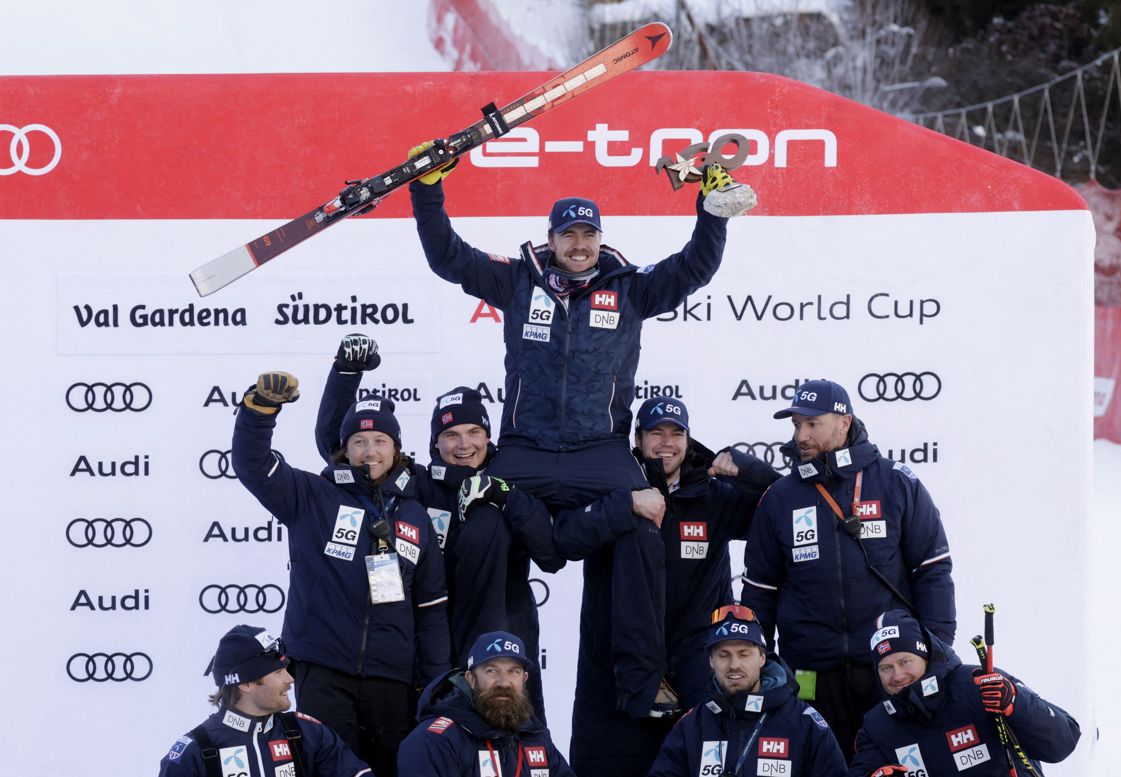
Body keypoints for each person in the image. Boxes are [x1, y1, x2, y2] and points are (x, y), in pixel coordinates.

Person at [406, 139, 747, 758]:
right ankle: (474, 677)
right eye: (569, 235)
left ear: (599, 238)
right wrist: (428, 188)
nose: (580, 244)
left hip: (599, 450)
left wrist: (712, 208)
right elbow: (447, 257)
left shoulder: (631, 288)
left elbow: (695, 266)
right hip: (526, 449)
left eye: (588, 234)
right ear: (553, 238)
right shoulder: (517, 280)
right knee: (483, 524)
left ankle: (643, 680)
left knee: (644, 521)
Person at [314, 334, 564, 718]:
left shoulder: (514, 478)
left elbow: (549, 552)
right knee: (438, 739)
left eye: (473, 433)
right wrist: (345, 375)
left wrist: (503, 494)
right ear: (436, 442)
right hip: (432, 632)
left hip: (504, 632)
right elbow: (343, 450)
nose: (463, 445)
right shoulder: (420, 482)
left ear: (488, 436)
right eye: (450, 435)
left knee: (518, 734)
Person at [233, 370, 450, 777]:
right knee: (328, 769)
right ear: (344, 449)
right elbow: (252, 464)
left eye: (380, 441)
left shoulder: (416, 515)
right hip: (323, 667)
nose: (370, 451)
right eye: (359, 441)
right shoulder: (312, 495)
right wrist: (259, 411)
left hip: (392, 676)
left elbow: (431, 607)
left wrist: (434, 683)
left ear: (396, 448)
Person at [547, 397, 780, 774]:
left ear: (689, 441)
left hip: (696, 663)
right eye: (656, 433)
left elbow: (781, 511)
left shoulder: (712, 494)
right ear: (637, 440)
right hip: (615, 667)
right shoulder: (609, 488)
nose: (666, 442)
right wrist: (625, 505)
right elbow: (563, 539)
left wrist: (751, 471)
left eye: (676, 433)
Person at [740, 378, 956, 760]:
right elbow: (760, 591)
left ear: (843, 422)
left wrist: (934, 650)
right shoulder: (780, 498)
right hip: (811, 673)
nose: (800, 435)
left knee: (898, 764)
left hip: (887, 669)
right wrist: (762, 662)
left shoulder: (895, 481)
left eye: (811, 424)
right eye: (795, 425)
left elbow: (933, 570)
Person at [849, 609, 1080, 777]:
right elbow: (864, 771)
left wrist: (1016, 704)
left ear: (925, 656)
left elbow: (1064, 741)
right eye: (885, 668)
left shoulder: (978, 683)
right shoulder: (876, 725)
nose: (897, 675)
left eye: (905, 661)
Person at [646, 605, 847, 777]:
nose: (734, 664)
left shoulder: (804, 722)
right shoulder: (692, 726)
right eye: (724, 655)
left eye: (744, 654)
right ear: (711, 661)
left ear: (762, 658)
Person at [158, 625, 373, 777]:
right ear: (246, 683)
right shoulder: (194, 752)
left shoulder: (307, 734)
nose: (290, 679)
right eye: (279, 672)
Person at [396, 630, 575, 776]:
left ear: (524, 679)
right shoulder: (436, 740)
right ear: (471, 679)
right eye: (491, 671)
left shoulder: (535, 735)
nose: (504, 682)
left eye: (513, 671)